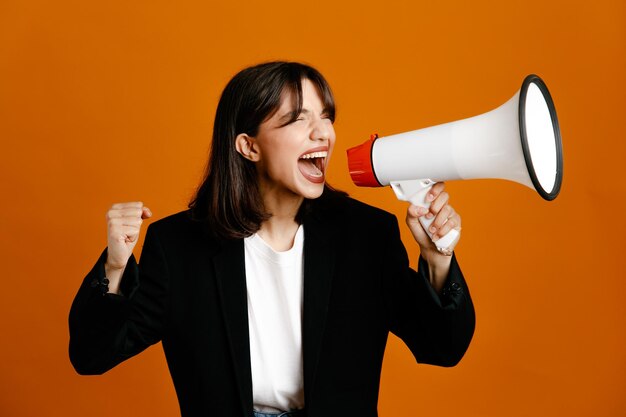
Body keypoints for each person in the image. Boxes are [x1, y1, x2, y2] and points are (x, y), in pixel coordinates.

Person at [69, 61, 475, 417]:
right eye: (299, 119)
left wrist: (436, 258)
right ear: (249, 146)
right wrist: (116, 268)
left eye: (326, 117)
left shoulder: (366, 236)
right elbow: (92, 355)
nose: (324, 134)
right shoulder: (179, 246)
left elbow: (443, 347)